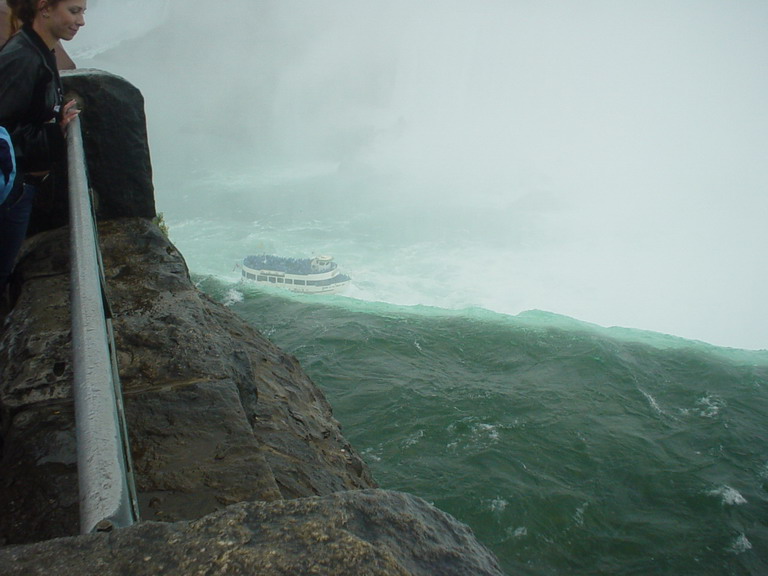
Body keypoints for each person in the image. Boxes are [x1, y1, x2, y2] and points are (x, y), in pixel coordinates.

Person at [0, 0, 85, 295]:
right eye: (74, 11)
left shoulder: (38, 50)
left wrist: (54, 124)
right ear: (44, 8)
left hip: (19, 188)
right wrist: (54, 133)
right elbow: (4, 132)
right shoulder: (23, 57)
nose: (81, 21)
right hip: (12, 191)